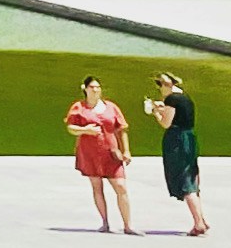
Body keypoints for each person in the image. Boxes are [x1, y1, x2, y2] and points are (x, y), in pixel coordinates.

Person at [63, 75, 132, 233]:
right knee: (97, 187)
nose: (95, 90)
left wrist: (126, 150)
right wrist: (86, 130)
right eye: (92, 87)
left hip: (111, 152)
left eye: (97, 87)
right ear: (85, 89)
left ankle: (128, 225)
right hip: (90, 152)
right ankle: (105, 221)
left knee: (121, 186)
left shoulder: (111, 107)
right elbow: (71, 127)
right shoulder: (79, 107)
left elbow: (121, 129)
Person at [145, 73, 209, 236]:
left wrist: (155, 113)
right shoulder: (184, 98)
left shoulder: (172, 99)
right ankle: (201, 219)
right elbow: (178, 115)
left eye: (161, 85)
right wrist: (162, 108)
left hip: (178, 140)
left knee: (184, 181)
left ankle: (199, 223)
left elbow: (166, 123)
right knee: (192, 176)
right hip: (189, 138)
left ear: (165, 85)